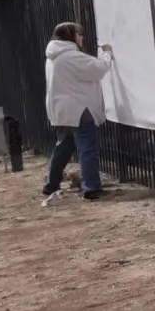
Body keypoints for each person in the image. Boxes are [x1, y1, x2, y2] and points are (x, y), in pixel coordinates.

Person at [43, 22, 112, 200]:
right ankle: (91, 187)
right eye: (79, 34)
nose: (82, 37)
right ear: (70, 36)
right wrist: (107, 53)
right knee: (87, 148)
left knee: (63, 147)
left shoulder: (52, 56)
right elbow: (98, 69)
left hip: (60, 110)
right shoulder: (71, 56)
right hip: (78, 108)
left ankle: (51, 183)